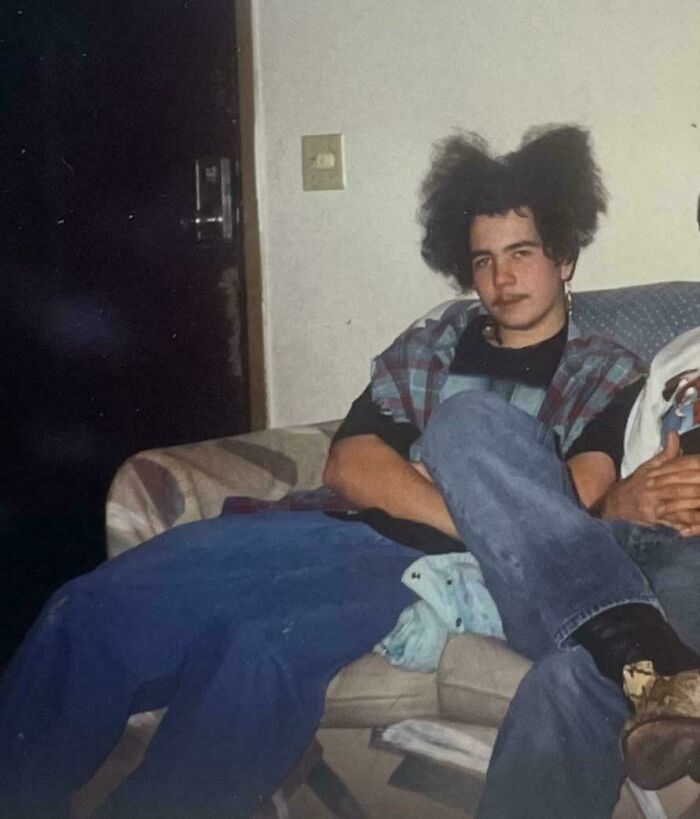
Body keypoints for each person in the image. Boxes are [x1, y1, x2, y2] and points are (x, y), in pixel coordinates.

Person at [0, 126, 698, 819]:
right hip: (329, 524)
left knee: (260, 653)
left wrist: (455, 501)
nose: (500, 279)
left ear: (565, 256)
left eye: (521, 253)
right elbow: (352, 462)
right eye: (482, 260)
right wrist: (493, 513)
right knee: (86, 610)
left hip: (428, 568)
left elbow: (578, 491)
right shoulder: (434, 343)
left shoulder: (608, 370)